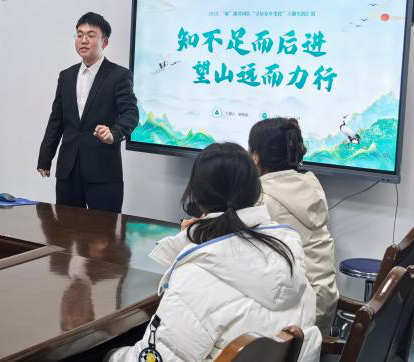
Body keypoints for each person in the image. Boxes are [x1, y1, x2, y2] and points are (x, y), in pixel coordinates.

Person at [106, 143, 320, 362]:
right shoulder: (286, 253)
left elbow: (155, 357)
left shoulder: (197, 277)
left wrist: (113, 355)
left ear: (197, 198)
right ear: (256, 191)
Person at [37, 12, 138, 213]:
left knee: (103, 230)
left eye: (91, 35)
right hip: (68, 170)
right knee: (65, 227)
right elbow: (56, 119)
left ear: (105, 42)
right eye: (79, 34)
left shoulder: (119, 75)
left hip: (103, 172)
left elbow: (131, 113)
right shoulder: (66, 76)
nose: (83, 40)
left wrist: (114, 133)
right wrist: (45, 157)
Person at [248, 117, 339, 333]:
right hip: (324, 305)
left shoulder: (261, 198)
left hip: (297, 320)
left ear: (256, 157)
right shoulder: (309, 185)